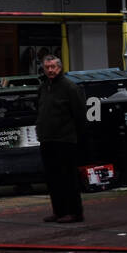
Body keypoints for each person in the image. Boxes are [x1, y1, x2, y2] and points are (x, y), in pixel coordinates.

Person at [36, 54, 88, 224]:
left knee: (68, 178)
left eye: (53, 67)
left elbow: (80, 115)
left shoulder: (70, 87)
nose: (50, 70)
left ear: (60, 67)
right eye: (47, 67)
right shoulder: (44, 87)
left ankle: (75, 212)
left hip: (65, 140)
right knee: (53, 178)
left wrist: (79, 139)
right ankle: (59, 211)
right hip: (47, 140)